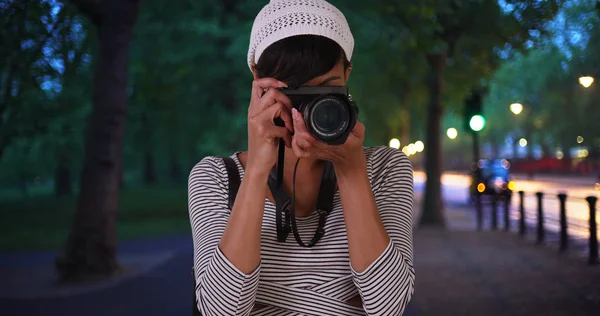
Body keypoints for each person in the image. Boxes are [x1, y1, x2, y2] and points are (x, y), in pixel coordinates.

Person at [188, 0, 415, 315]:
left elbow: (388, 307)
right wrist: (255, 171)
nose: (304, 113)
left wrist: (351, 173)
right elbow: (221, 310)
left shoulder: (385, 169)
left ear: (348, 72)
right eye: (294, 92)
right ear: (257, 77)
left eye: (325, 92)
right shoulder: (215, 176)